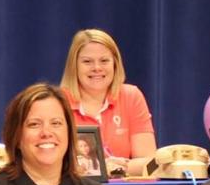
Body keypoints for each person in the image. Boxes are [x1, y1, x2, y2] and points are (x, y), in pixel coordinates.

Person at [58, 29, 156, 166]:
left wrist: (118, 169)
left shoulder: (131, 96)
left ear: (115, 64)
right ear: (74, 66)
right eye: (87, 62)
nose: (97, 68)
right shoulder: (57, 102)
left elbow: (150, 163)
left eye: (104, 61)